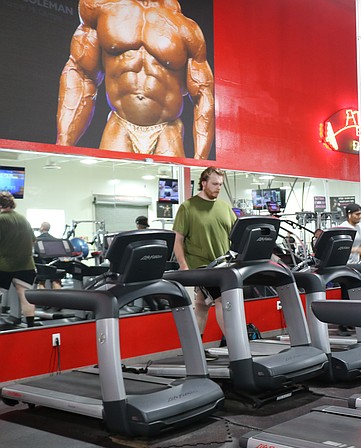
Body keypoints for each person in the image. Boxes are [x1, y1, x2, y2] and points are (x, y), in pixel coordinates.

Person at [56, 0, 215, 159]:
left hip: (167, 130)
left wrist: (201, 160)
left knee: (171, 184)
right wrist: (64, 145)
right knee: (110, 182)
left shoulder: (186, 29)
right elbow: (81, 75)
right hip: (120, 124)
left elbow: (203, 94)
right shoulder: (100, 7)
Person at [173, 167, 237, 343]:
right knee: (222, 301)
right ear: (203, 183)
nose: (218, 188)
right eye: (215, 184)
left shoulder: (225, 208)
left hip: (224, 266)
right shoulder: (188, 207)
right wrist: (184, 266)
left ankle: (196, 349)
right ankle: (237, 349)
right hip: (201, 267)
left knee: (201, 305)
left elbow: (237, 236)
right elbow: (177, 240)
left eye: (221, 184)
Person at [0, 192, 37, 327]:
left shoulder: (1, 219)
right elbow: (33, 241)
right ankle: (31, 326)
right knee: (25, 296)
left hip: (4, 265)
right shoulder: (23, 219)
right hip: (26, 265)